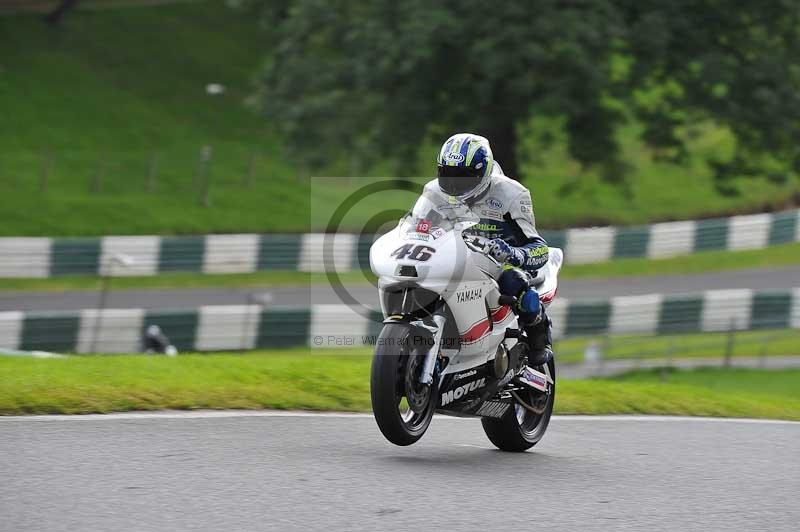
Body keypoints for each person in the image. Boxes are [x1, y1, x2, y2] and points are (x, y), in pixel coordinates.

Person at [424, 132, 553, 366]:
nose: (454, 185)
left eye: (463, 177)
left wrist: (514, 253)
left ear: (482, 172)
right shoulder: (433, 192)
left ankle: (538, 340)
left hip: (497, 265)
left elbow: (539, 248)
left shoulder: (511, 194)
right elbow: (416, 227)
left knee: (515, 283)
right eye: (448, 175)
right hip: (452, 260)